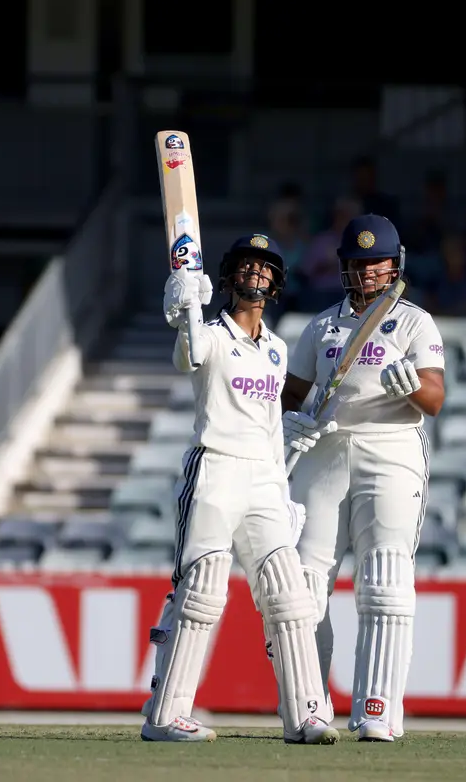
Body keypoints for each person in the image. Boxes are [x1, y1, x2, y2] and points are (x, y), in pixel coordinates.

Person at [142, 234, 339, 745]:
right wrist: (183, 304)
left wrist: (282, 486)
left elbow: (271, 424)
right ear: (231, 277)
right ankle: (165, 716)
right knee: (203, 591)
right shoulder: (209, 332)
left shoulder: (276, 350)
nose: (256, 275)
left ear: (275, 282)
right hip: (215, 470)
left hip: (263, 479)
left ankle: (306, 716)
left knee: (290, 596)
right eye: (248, 267)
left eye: (265, 269)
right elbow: (187, 357)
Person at [279, 214, 446, 742]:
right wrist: (292, 418)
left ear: (394, 265)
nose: (368, 272)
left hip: (390, 450)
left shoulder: (416, 323)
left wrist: (410, 388)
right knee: (303, 587)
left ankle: (377, 710)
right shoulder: (321, 326)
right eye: (357, 263)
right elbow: (292, 392)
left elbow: (435, 400)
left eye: (376, 263)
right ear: (344, 268)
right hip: (324, 452)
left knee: (385, 583)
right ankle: (308, 709)